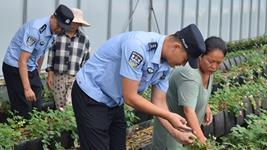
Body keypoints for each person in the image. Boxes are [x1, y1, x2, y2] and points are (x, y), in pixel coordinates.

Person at [71, 24, 206, 149]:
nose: (183, 64)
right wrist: (169, 116)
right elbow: (130, 97)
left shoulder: (167, 65)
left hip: (114, 100)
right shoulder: (138, 46)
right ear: (176, 47)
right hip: (91, 94)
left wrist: (175, 132)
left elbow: (159, 102)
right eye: (185, 59)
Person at [152, 36, 227, 149]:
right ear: (200, 56)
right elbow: (188, 110)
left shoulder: (207, 70)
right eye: (211, 61)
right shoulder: (189, 74)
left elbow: (198, 91)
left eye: (218, 63)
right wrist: (203, 142)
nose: (214, 66)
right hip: (173, 133)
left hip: (186, 132)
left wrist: (205, 105)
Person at [2, 4, 74, 118]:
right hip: (14, 67)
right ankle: (21, 131)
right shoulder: (36, 30)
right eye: (59, 26)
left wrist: (36, 75)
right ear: (53, 17)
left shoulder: (54, 32)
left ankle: (32, 127)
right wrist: (27, 88)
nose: (59, 30)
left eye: (63, 28)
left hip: (30, 67)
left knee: (37, 105)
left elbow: (40, 55)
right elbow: (22, 61)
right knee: (23, 108)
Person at [46, 8, 90, 111]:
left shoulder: (84, 39)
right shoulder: (57, 35)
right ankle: (62, 125)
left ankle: (70, 124)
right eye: (73, 22)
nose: (74, 25)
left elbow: (86, 59)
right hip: (58, 75)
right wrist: (50, 73)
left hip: (75, 76)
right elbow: (51, 54)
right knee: (59, 104)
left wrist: (84, 78)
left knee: (70, 104)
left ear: (80, 24)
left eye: (77, 23)